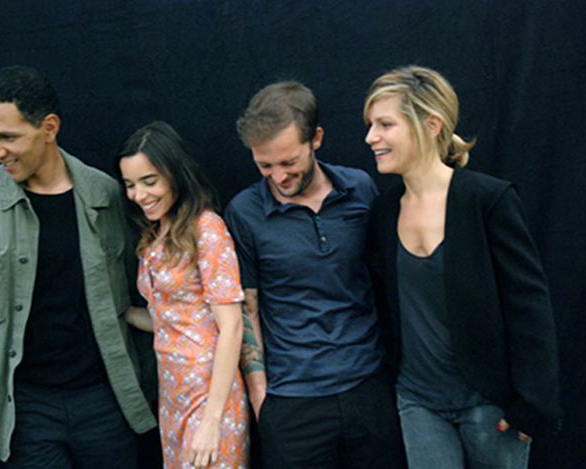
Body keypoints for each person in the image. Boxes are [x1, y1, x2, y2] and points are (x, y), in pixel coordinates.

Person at [0, 65, 156, 469]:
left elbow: (147, 296)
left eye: (7, 137)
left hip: (107, 403)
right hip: (23, 412)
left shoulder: (108, 196)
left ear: (49, 127)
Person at [363, 65, 563, 468]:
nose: (371, 137)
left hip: (490, 403)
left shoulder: (487, 200)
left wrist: (534, 402)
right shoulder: (384, 211)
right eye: (370, 125)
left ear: (431, 125)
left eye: (385, 124)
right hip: (418, 402)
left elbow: (528, 306)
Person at [223, 81, 406, 468]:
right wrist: (261, 400)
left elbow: (388, 278)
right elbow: (247, 308)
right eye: (265, 166)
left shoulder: (359, 188)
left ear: (316, 139)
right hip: (292, 401)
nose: (278, 177)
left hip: (369, 387)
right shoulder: (244, 211)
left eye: (289, 162)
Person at [113, 121, 249, 469]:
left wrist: (212, 420)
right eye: (130, 185)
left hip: (210, 396)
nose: (139, 195)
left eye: (149, 181)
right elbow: (168, 318)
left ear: (175, 174)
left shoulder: (207, 229)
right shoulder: (154, 235)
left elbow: (232, 327)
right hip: (172, 396)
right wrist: (114, 311)